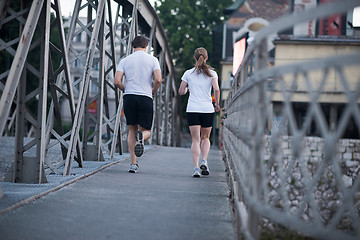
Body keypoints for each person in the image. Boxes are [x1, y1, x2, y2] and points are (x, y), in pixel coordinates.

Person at [114, 36, 162, 173]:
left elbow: (117, 81)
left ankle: (133, 164)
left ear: (132, 46)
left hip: (129, 97)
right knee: (146, 131)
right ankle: (142, 138)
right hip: (145, 97)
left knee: (131, 130)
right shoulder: (153, 60)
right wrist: (153, 91)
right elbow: (158, 79)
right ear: (146, 45)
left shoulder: (125, 60)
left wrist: (126, 90)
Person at [178, 47, 220, 177]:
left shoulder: (188, 73)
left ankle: (196, 167)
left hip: (193, 109)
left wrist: (187, 90)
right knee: (205, 138)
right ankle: (204, 161)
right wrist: (217, 104)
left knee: (195, 140)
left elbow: (180, 91)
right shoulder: (212, 73)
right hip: (207, 109)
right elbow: (216, 90)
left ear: (194, 58)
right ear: (206, 58)